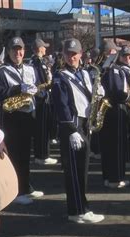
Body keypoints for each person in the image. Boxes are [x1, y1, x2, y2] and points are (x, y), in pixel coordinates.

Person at [51, 38, 105, 224]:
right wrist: (71, 129)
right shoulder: (60, 76)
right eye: (68, 54)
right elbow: (61, 105)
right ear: (63, 55)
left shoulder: (86, 74)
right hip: (72, 126)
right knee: (73, 170)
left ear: (81, 54)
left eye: (74, 53)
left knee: (82, 169)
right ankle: (76, 211)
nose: (71, 57)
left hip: (85, 123)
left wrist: (99, 96)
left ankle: (83, 206)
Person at [0, 36, 43, 205]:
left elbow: (37, 86)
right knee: (15, 155)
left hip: (28, 115)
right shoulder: (1, 70)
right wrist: (17, 89)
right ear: (9, 52)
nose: (18, 53)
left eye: (20, 49)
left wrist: (39, 92)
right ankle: (16, 191)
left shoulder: (30, 69)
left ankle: (26, 186)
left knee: (26, 154)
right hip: (12, 117)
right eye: (14, 50)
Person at [100, 45, 130, 189]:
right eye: (114, 52)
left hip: (109, 109)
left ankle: (109, 176)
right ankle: (116, 177)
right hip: (116, 108)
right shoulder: (113, 68)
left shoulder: (104, 67)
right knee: (117, 145)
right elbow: (118, 91)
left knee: (108, 145)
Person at [30, 38, 58, 166]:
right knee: (42, 128)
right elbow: (42, 81)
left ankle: (41, 154)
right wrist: (50, 83)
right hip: (41, 97)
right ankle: (42, 155)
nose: (45, 49)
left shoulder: (34, 61)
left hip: (40, 97)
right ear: (39, 48)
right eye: (44, 47)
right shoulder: (38, 62)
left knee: (41, 128)